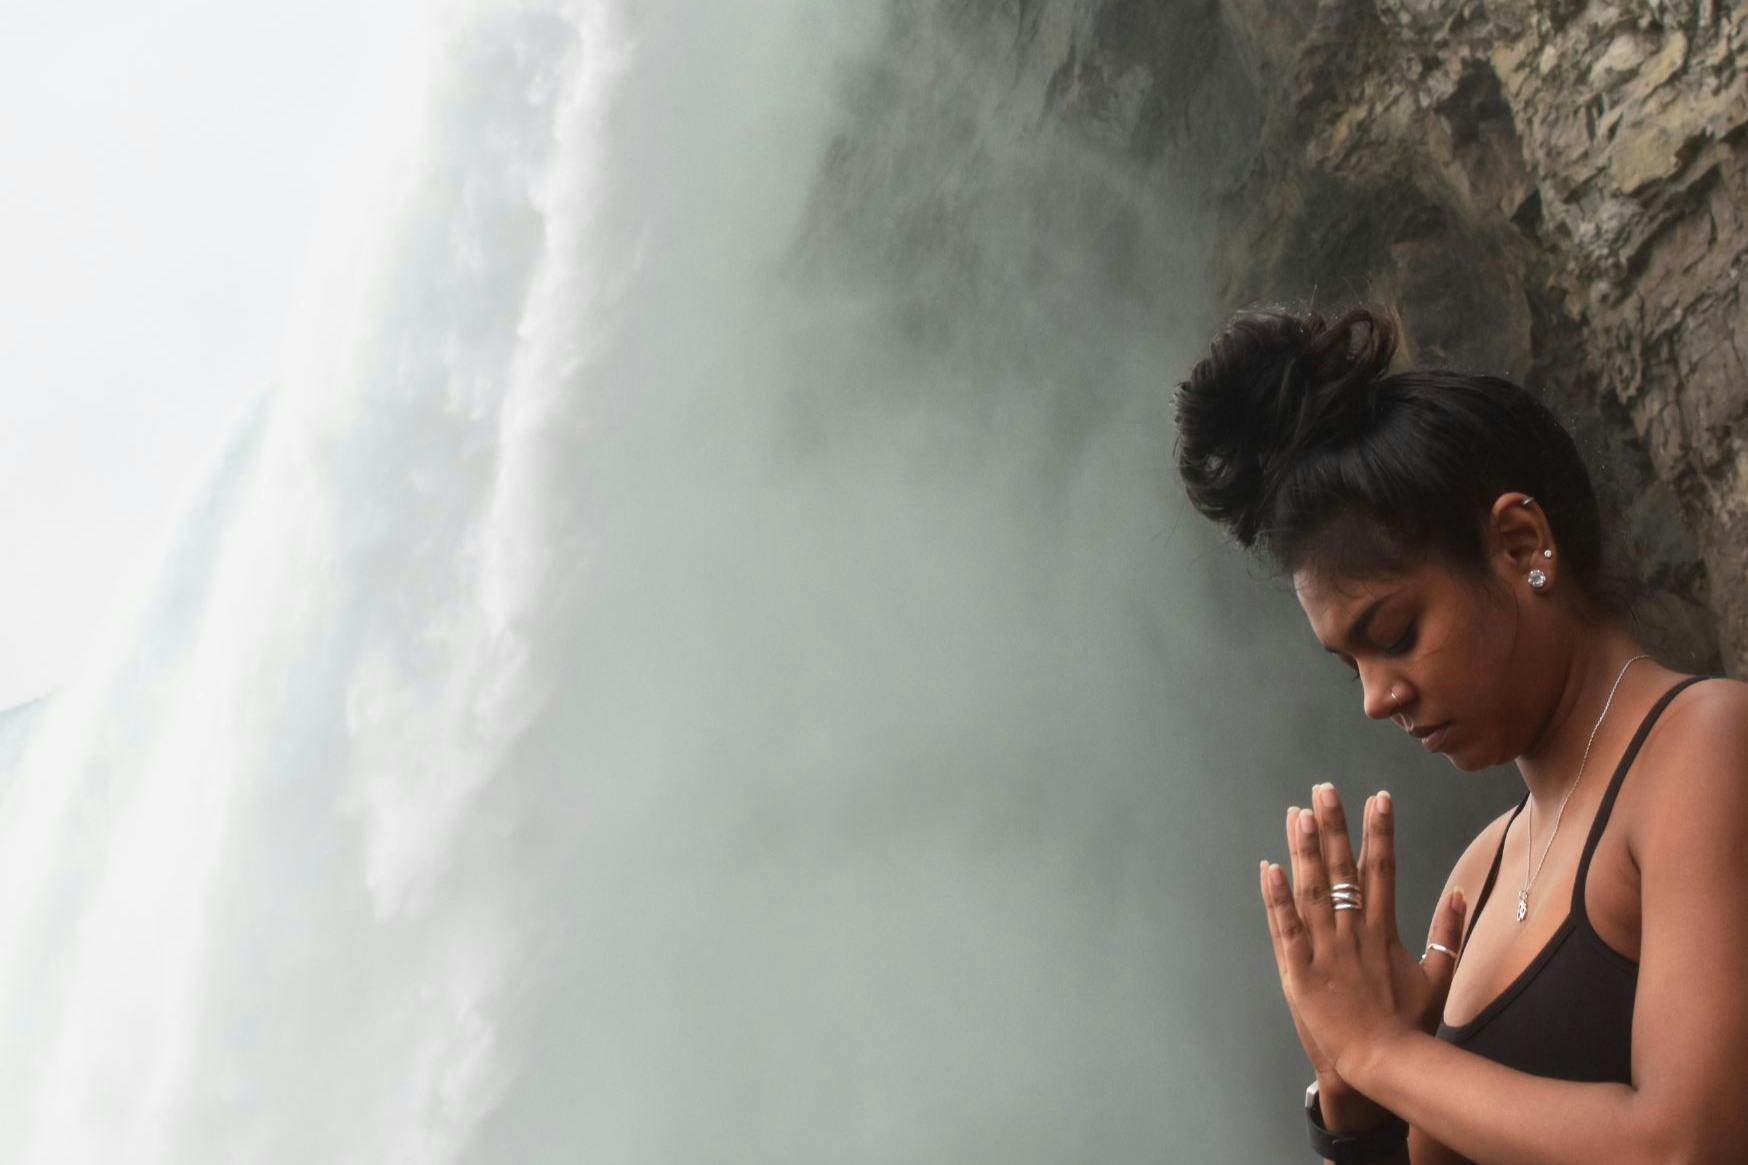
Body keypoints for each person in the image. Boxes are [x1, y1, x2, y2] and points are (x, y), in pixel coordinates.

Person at [1173, 305, 1748, 1163]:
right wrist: (1355, 1102)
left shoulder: (1705, 746)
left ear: (1521, 544)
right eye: (1349, 664)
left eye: (1396, 632)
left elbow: (1687, 1144)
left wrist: (1386, 1052)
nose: (1376, 697)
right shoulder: (1480, 874)